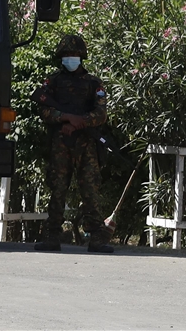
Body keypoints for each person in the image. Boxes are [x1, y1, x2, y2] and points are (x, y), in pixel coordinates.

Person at [33, 34, 114, 253]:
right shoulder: (53, 82)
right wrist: (64, 118)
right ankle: (52, 236)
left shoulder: (93, 83)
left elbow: (101, 113)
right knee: (58, 188)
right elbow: (44, 110)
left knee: (89, 189)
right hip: (60, 143)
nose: (71, 58)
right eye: (67, 55)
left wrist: (79, 123)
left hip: (86, 143)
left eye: (74, 55)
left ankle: (97, 237)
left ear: (81, 56)